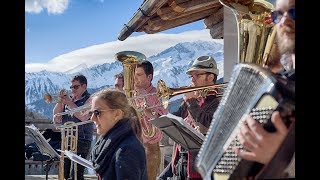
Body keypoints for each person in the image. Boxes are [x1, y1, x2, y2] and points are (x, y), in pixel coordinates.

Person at [234, 0, 295, 178]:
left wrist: (281, 160)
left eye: (294, 12)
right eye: (278, 15)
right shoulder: (281, 84)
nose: (283, 22)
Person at [158, 55, 222, 180]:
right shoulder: (192, 99)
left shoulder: (218, 101)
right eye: (191, 76)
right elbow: (175, 119)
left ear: (210, 77)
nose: (192, 80)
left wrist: (191, 101)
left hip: (198, 170)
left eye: (197, 75)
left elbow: (205, 127)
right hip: (179, 164)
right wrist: (158, 112)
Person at [89, 89, 148, 180]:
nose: (92, 118)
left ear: (117, 114)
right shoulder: (109, 143)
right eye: (91, 113)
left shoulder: (127, 150)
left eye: (97, 113)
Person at [53, 74, 94, 180]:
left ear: (84, 87)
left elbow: (84, 117)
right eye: (71, 87)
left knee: (76, 175)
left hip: (82, 141)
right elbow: (56, 118)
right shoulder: (70, 100)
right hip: (66, 140)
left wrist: (69, 103)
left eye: (76, 87)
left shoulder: (90, 100)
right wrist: (60, 102)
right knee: (64, 174)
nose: (73, 89)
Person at [133, 60, 169, 180]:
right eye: (134, 74)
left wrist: (144, 98)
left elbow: (161, 120)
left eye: (138, 75)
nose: (135, 78)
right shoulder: (133, 94)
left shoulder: (159, 94)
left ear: (149, 77)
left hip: (151, 147)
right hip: (134, 144)